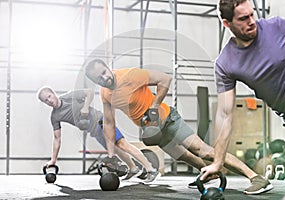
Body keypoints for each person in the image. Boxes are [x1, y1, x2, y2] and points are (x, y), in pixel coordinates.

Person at [84, 58, 273, 194]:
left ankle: (256, 178)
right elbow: (109, 122)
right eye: (99, 79)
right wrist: (111, 153)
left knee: (204, 151)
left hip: (168, 119)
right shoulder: (105, 93)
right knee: (186, 157)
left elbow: (164, 79)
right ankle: (209, 175)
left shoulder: (130, 75)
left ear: (108, 67)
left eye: (104, 73)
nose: (104, 78)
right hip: (153, 131)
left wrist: (154, 106)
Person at [200, 0, 285, 190]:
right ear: (227, 23)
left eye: (252, 14)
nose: (252, 21)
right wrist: (218, 161)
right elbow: (224, 114)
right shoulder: (226, 63)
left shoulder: (275, 27)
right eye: (244, 18)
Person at [37, 86, 159, 182]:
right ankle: (133, 168)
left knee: (122, 144)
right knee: (117, 149)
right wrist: (53, 160)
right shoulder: (55, 116)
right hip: (94, 131)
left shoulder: (70, 96)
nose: (49, 101)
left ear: (53, 93)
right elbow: (57, 139)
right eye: (46, 100)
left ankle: (150, 169)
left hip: (102, 120)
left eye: (49, 96)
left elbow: (89, 92)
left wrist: (85, 107)